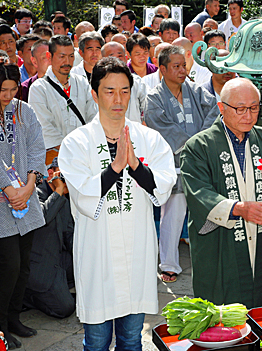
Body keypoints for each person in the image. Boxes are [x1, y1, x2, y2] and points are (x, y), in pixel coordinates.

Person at [59, 57, 176, 350]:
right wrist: (115, 168)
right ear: (94, 93)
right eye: (109, 91)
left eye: (124, 91)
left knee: (131, 339)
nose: (118, 99)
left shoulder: (148, 138)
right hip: (98, 253)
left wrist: (135, 165)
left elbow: (163, 185)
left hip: (137, 252)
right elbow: (84, 195)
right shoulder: (77, 143)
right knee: (97, 342)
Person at [180, 78, 262, 307]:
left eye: (254, 108)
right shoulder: (198, 146)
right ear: (221, 108)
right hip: (221, 245)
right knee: (223, 317)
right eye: (240, 109)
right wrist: (238, 209)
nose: (248, 116)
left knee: (261, 309)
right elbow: (198, 192)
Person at [0, 62, 47, 349]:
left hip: (25, 195)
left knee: (23, 265)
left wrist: (30, 184)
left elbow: (36, 145)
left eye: (13, 88)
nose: (8, 95)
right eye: (1, 89)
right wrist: (9, 189)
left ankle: (15, 317)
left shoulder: (23, 109)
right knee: (8, 265)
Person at [144, 45, 219, 283]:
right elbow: (161, 127)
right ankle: (168, 264)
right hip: (173, 163)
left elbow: (215, 111)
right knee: (173, 214)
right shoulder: (154, 98)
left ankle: (209, 259)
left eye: (183, 65)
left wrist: (201, 142)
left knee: (206, 212)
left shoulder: (196, 91)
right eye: (175, 66)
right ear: (163, 69)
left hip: (201, 162)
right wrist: (195, 144)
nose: (181, 70)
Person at [28, 35, 97, 162]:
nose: (67, 62)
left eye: (71, 56)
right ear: (49, 56)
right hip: (55, 157)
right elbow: (44, 126)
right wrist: (70, 150)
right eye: (62, 56)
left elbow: (93, 116)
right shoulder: (38, 88)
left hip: (85, 153)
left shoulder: (82, 82)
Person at [23, 158, 75, 320]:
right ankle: (28, 297)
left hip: (57, 259)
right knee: (65, 309)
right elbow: (42, 218)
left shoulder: (64, 198)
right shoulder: (33, 191)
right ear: (51, 174)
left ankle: (56, 289)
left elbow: (70, 235)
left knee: (88, 266)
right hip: (37, 267)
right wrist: (58, 190)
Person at [100, 41, 147, 123]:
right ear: (102, 59)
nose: (116, 60)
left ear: (126, 58)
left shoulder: (137, 82)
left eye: (120, 56)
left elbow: (147, 107)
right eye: (111, 56)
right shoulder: (98, 83)